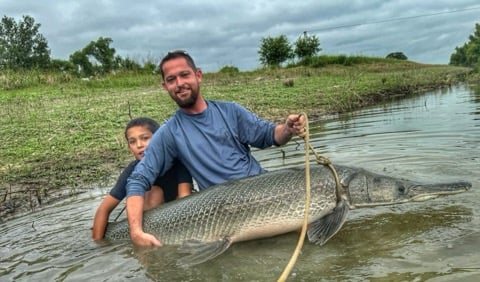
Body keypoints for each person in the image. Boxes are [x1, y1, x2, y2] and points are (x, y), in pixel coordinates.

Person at [125, 50, 306, 246]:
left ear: (198, 75)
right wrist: (136, 231)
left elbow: (269, 135)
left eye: (185, 75)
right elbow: (138, 178)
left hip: (264, 192)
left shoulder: (231, 111)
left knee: (307, 229)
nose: (179, 84)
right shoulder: (169, 132)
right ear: (165, 86)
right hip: (220, 210)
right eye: (171, 79)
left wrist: (287, 129)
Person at [92, 117, 193, 240]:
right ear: (129, 147)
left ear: (159, 139)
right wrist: (98, 244)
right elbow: (104, 209)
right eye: (132, 142)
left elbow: (186, 199)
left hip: (176, 216)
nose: (139, 145)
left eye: (145, 138)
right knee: (152, 193)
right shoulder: (132, 171)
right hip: (149, 222)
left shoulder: (177, 163)